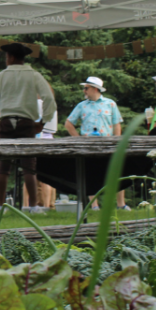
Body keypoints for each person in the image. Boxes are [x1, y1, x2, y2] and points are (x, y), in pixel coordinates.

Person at [0, 43, 56, 213]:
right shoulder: (35, 76)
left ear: (11, 57)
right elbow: (49, 99)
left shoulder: (2, 76)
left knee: (3, 166)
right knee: (29, 166)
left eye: (6, 57)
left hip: (6, 122)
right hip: (27, 123)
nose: (6, 60)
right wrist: (43, 122)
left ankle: (0, 205)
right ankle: (34, 206)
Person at [64, 76, 130, 210]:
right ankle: (94, 206)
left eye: (86, 88)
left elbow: (116, 124)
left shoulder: (110, 104)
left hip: (108, 144)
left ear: (95, 89)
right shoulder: (81, 106)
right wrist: (79, 140)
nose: (84, 91)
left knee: (116, 173)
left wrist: (116, 142)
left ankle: (121, 205)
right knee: (91, 174)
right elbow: (68, 124)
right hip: (88, 145)